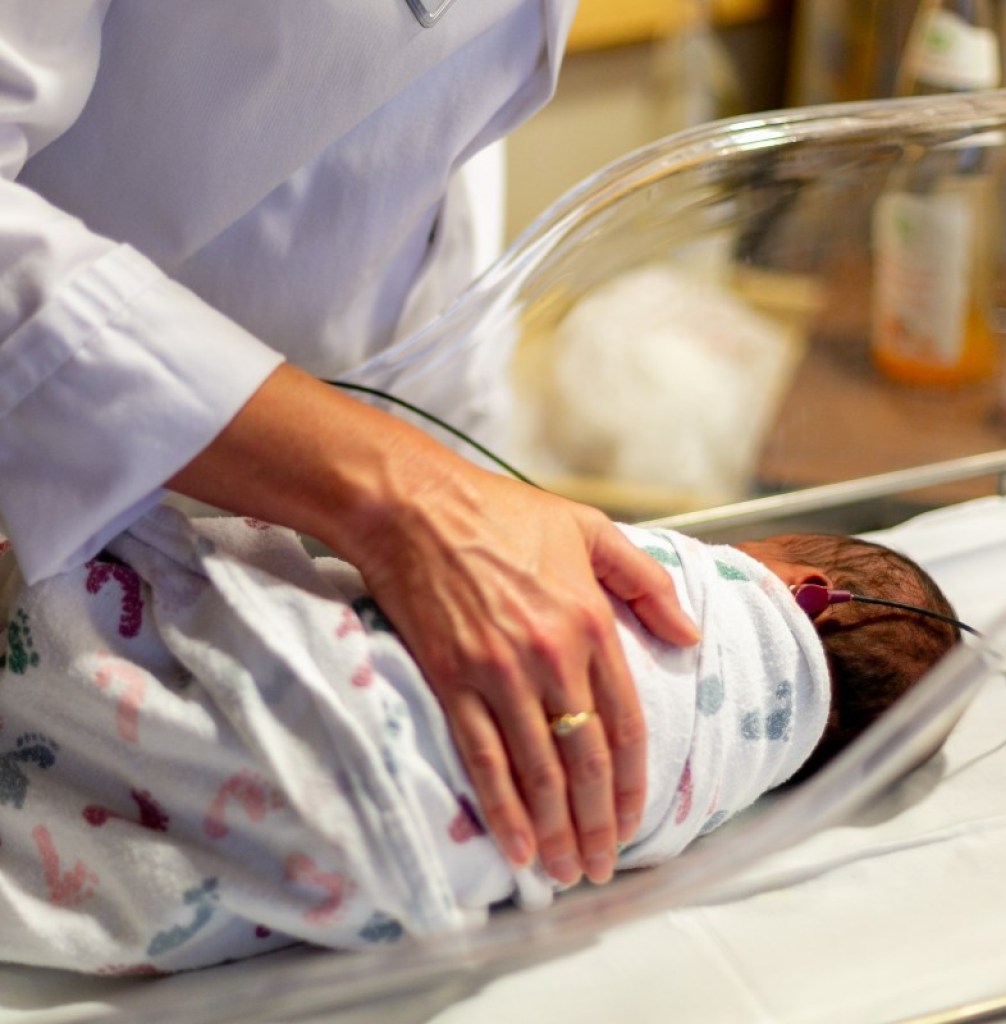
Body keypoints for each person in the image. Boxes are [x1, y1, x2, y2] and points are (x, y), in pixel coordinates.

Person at [0, 1, 701, 898]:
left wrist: (459, 477)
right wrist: (401, 497)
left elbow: (416, 108)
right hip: (45, 470)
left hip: (377, 463)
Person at [0, 512, 959, 972]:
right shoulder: (722, 793)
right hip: (410, 866)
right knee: (204, 836)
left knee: (196, 595)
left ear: (806, 592)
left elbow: (540, 570)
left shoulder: (710, 594)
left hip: (368, 705)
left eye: (769, 544)